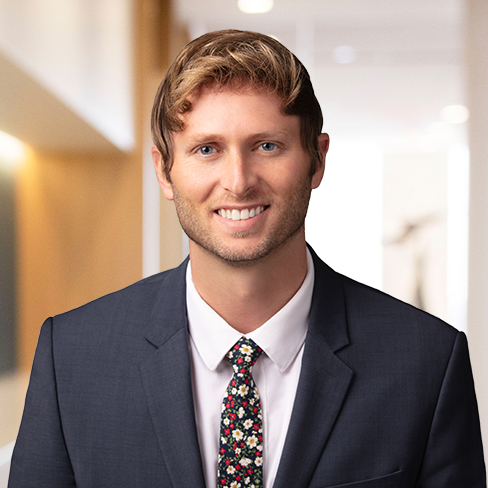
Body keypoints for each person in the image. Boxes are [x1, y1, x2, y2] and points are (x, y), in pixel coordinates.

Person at [9, 30, 485, 488]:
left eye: (267, 146)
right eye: (207, 149)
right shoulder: (71, 358)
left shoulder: (428, 363)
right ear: (164, 171)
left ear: (317, 161)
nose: (238, 181)